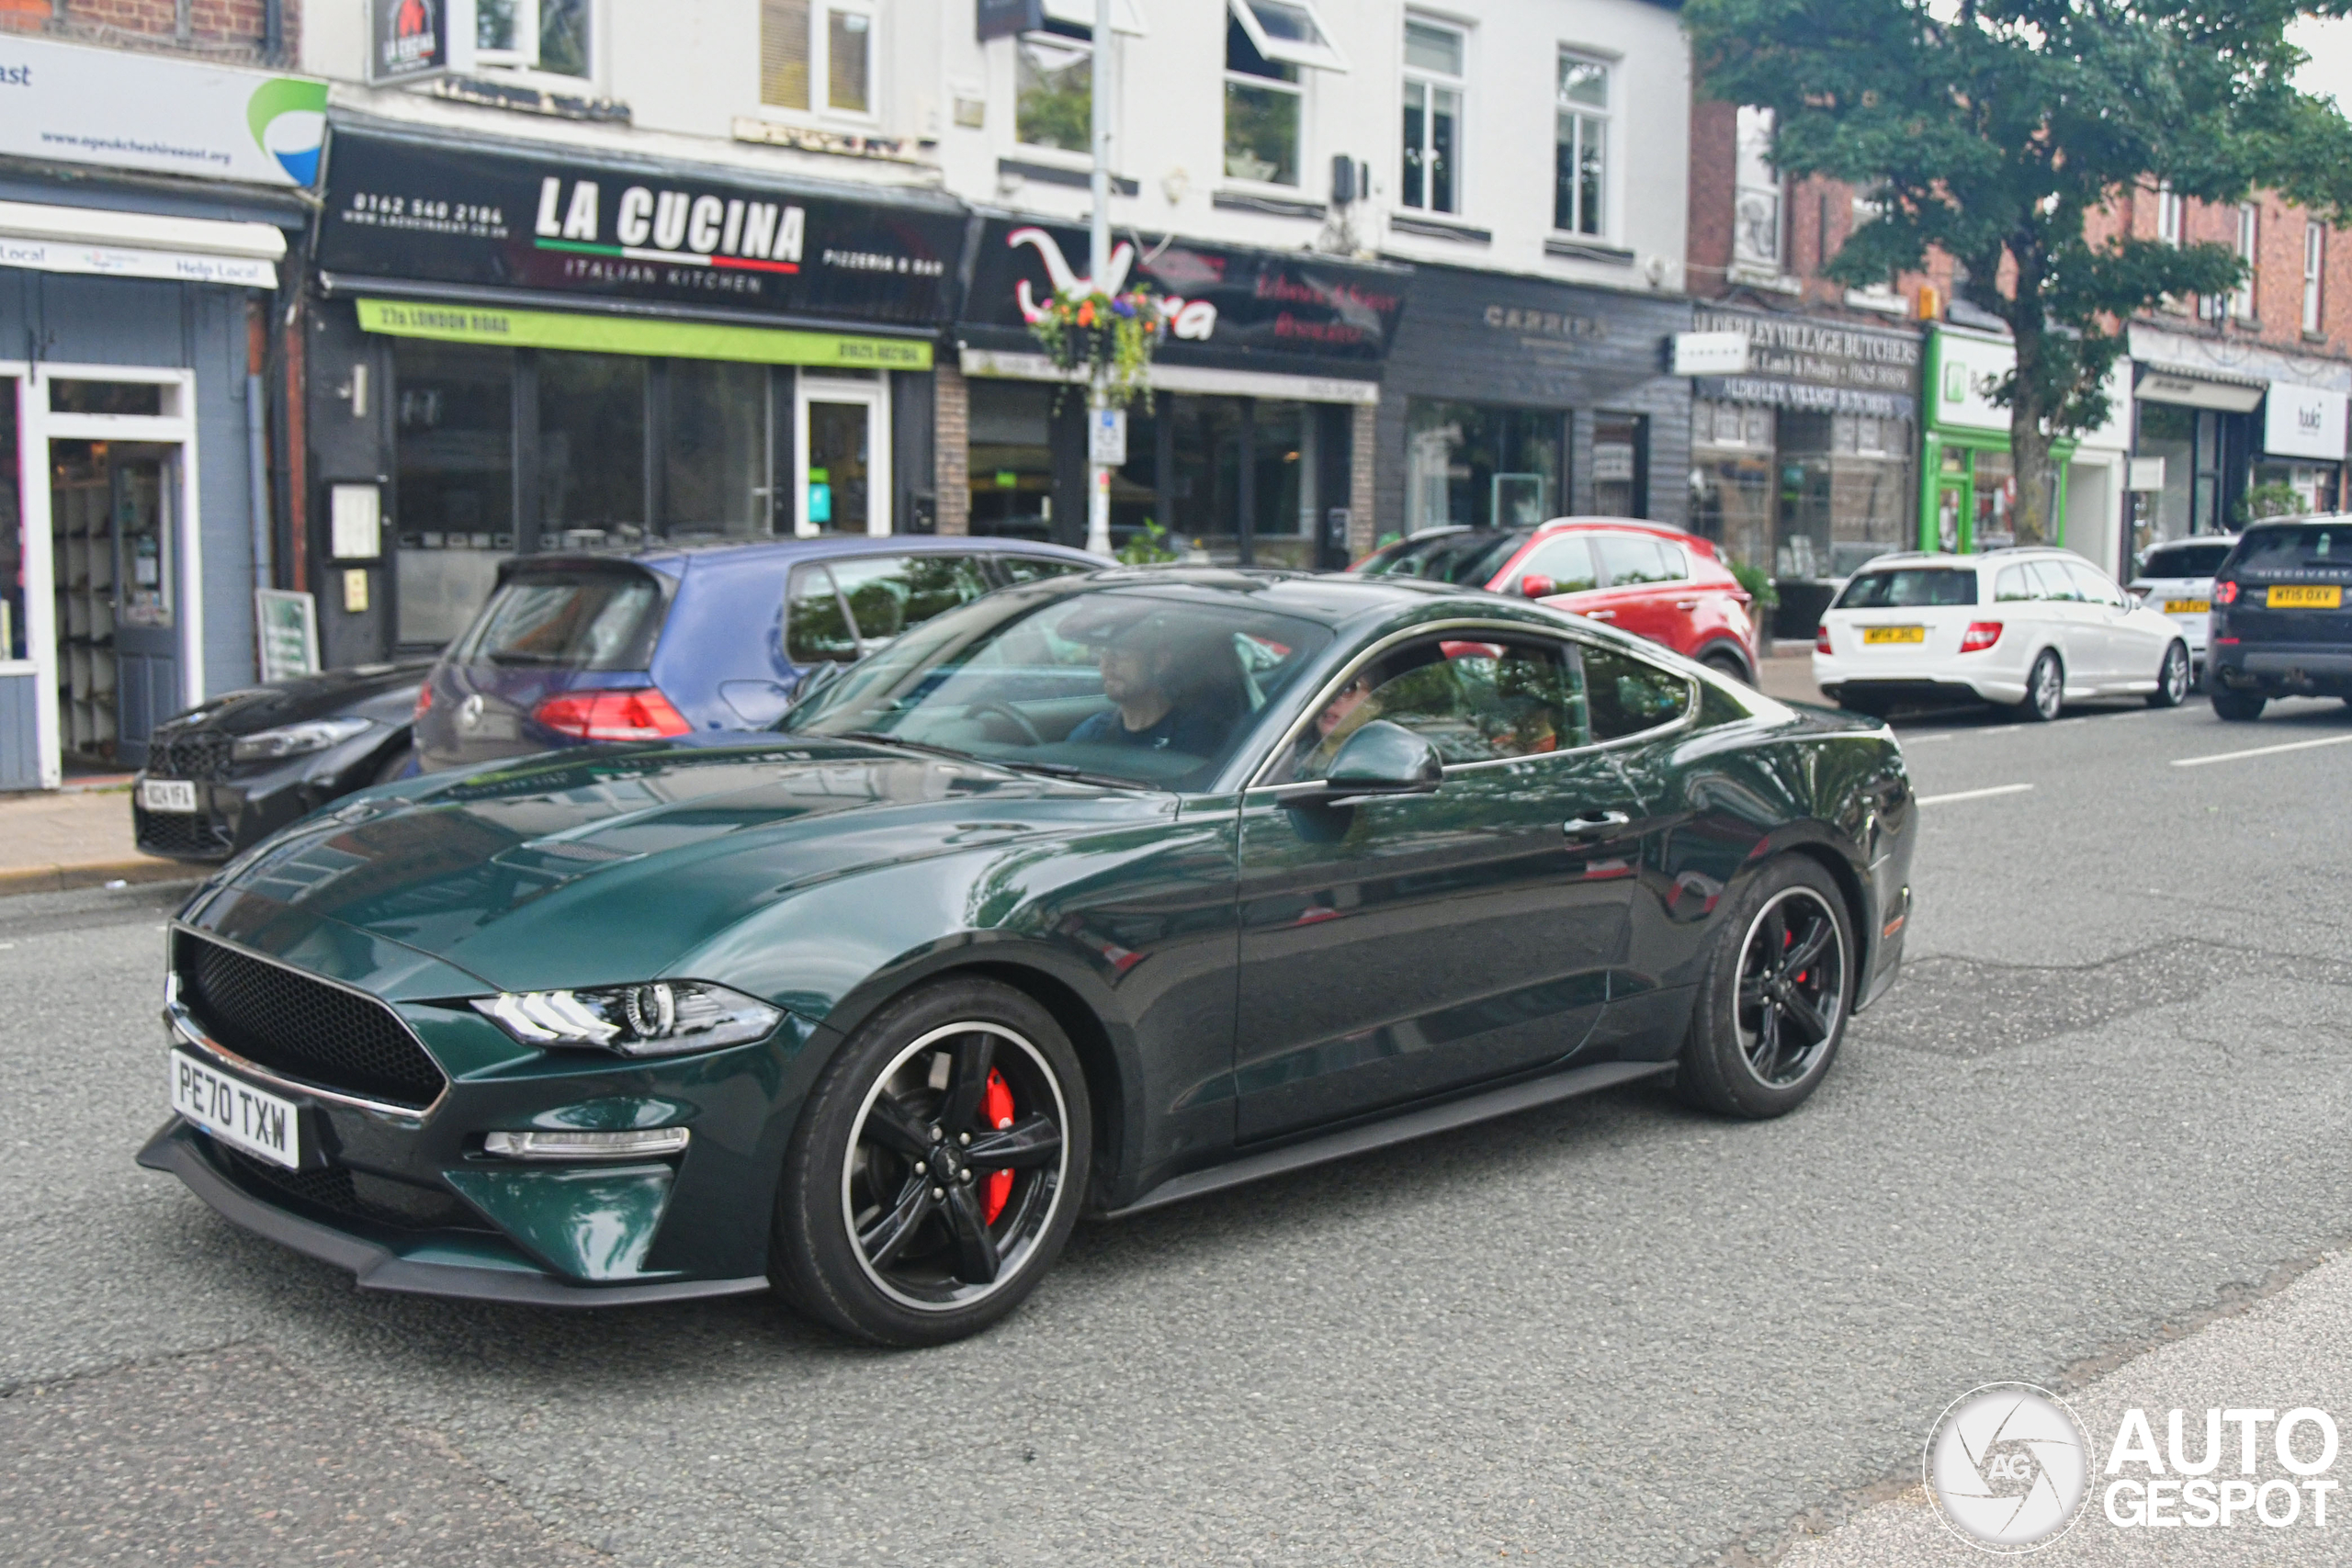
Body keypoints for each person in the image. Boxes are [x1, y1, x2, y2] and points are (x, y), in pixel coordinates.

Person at [1067, 619, 1238, 756]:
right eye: (1103, 653)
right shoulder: (1093, 733)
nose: (1107, 664)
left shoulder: (1200, 738)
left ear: (1159, 662)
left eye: (1121, 653)